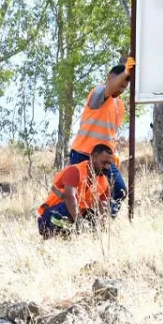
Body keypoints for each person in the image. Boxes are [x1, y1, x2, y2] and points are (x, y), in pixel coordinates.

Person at [67, 58, 134, 216]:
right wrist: (126, 71)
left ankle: (99, 225)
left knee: (120, 190)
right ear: (110, 78)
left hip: (104, 159)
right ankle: (78, 230)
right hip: (83, 155)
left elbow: (110, 133)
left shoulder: (120, 106)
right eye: (120, 84)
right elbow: (109, 89)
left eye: (125, 86)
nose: (122, 89)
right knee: (81, 197)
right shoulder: (97, 93)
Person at [37, 144, 115, 239]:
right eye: (104, 162)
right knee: (67, 210)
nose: (107, 166)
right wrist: (81, 224)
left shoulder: (104, 181)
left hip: (75, 215)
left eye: (109, 163)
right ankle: (54, 239)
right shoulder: (75, 171)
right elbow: (70, 199)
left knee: (93, 217)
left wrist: (103, 229)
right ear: (93, 158)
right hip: (50, 215)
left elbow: (103, 208)